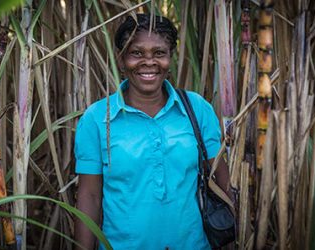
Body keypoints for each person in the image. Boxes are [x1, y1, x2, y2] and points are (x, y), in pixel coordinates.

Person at [74, 13, 232, 250]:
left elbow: (222, 182)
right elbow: (90, 198)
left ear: (171, 57)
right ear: (121, 58)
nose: (149, 62)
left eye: (159, 53)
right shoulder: (97, 118)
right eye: (136, 53)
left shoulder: (197, 109)